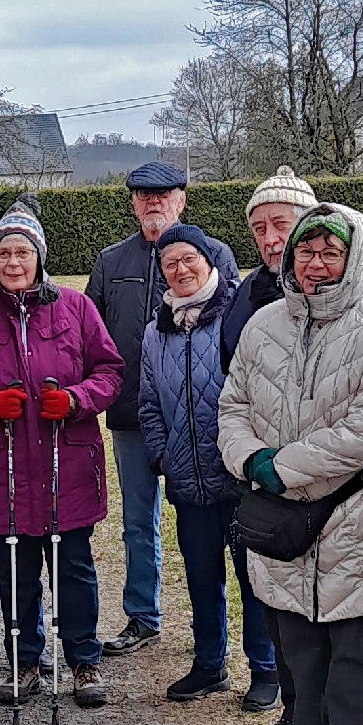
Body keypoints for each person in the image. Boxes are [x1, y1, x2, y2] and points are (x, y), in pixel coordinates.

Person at [218, 203, 363, 725]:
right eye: (307, 251)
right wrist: (251, 461)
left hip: (354, 516)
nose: (316, 263)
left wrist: (288, 466)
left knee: (358, 661)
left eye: (331, 251)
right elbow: (233, 403)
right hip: (280, 521)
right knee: (301, 654)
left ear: (355, 256)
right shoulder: (263, 323)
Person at [0, 196, 124, 708]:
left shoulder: (76, 307)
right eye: (3, 254)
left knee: (74, 566)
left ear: (39, 256)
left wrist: (78, 399)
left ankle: (84, 660)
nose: (13, 263)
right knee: (13, 569)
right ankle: (26, 662)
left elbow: (110, 373)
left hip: (67, 467)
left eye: (23, 252)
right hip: (2, 467)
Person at [85, 162, 238, 656]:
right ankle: (142, 615)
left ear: (181, 201)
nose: (153, 202)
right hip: (135, 413)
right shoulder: (111, 263)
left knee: (217, 530)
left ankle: (224, 635)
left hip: (206, 424)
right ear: (132, 203)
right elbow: (90, 335)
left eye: (163, 194)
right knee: (136, 521)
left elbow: (237, 329)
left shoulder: (214, 254)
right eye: (143, 195)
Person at [138, 224, 278, 705]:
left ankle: (265, 670)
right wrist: (162, 453)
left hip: (237, 479)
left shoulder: (238, 317)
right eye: (169, 263)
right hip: (186, 478)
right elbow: (148, 401)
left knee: (251, 578)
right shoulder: (157, 331)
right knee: (201, 576)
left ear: (210, 261)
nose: (180, 270)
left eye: (188, 259)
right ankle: (209, 664)